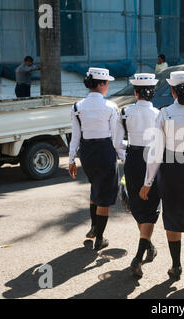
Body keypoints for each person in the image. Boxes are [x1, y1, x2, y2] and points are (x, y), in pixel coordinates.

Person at [139, 71, 184, 299]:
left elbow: (155, 152)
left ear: (172, 90)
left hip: (170, 171)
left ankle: (176, 266)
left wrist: (147, 182)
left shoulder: (164, 114)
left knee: (171, 219)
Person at [113, 73, 161, 279]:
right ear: (152, 92)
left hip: (132, 159)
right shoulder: (160, 114)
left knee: (138, 205)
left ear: (135, 92)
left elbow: (116, 143)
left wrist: (128, 153)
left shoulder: (124, 113)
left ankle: (147, 245)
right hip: (152, 157)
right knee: (151, 209)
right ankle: (139, 255)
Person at [69, 67, 119, 251]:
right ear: (100, 84)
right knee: (104, 196)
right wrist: (123, 156)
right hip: (105, 150)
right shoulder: (110, 107)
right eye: (107, 83)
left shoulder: (77, 106)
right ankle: (99, 238)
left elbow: (75, 136)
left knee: (95, 187)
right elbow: (115, 137)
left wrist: (71, 159)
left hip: (87, 152)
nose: (107, 87)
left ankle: (93, 227)